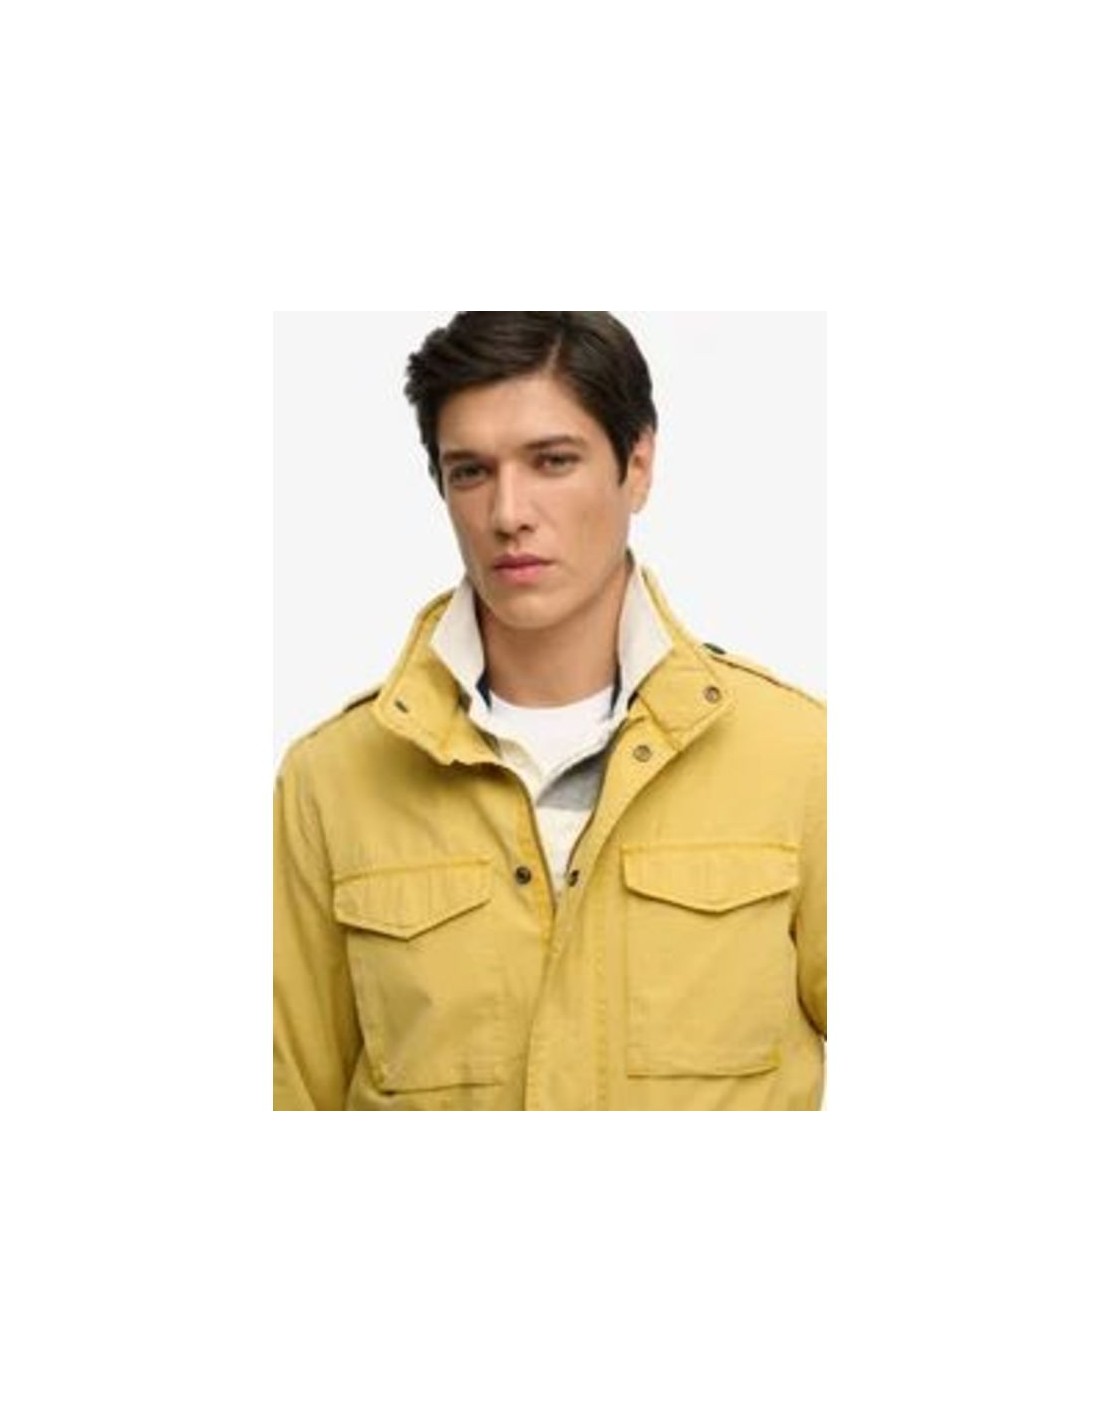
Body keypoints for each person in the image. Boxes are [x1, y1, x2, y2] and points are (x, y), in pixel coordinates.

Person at [274, 311, 826, 1110]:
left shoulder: (800, 759)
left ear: (638, 466)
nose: (508, 513)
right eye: (471, 472)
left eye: (553, 461)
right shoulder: (330, 781)